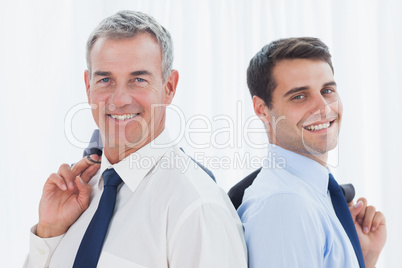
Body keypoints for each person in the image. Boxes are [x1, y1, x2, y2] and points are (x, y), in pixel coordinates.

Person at [24, 10, 247, 267]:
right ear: (88, 86)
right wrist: (49, 233)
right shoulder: (79, 195)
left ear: (169, 87)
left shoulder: (197, 206)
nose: (119, 100)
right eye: (105, 79)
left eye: (138, 79)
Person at [238, 37, 387, 267]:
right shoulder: (285, 205)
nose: (324, 108)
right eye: (299, 96)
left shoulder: (312, 193)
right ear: (262, 109)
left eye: (327, 90)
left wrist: (364, 259)